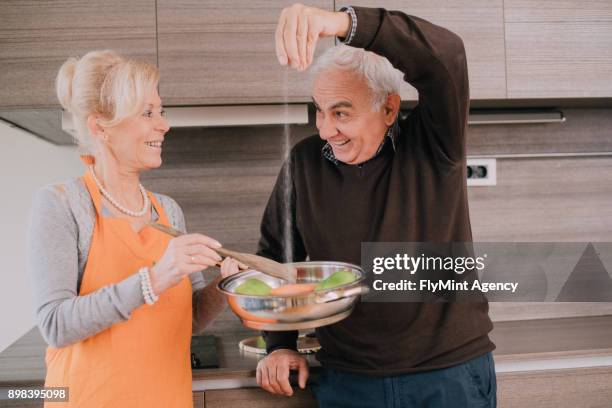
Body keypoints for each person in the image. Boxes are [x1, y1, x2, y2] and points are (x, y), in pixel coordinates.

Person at [223, 4, 497, 407]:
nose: (325, 129)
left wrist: (343, 23)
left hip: (447, 376)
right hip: (349, 382)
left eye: (341, 113)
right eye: (319, 110)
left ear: (388, 109)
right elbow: (276, 260)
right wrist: (279, 344)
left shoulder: (434, 146)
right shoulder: (305, 162)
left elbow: (447, 54)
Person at [27, 50, 240, 407]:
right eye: (147, 113)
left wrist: (225, 285)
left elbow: (185, 321)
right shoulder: (63, 204)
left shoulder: (167, 210)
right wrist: (154, 279)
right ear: (101, 127)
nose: (163, 124)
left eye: (161, 110)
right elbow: (56, 324)